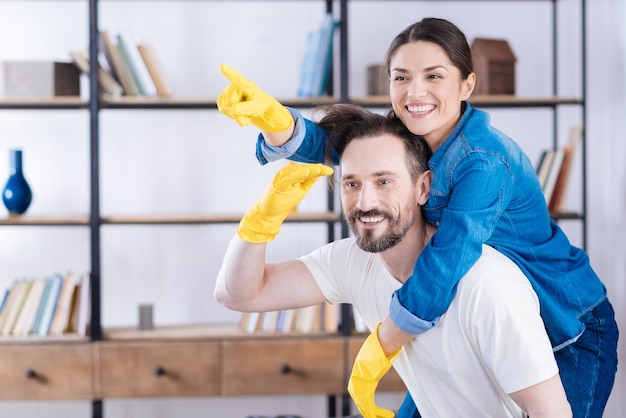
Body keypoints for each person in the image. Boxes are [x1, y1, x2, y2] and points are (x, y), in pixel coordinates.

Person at [216, 17, 618, 418]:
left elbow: (447, 259)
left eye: (434, 76)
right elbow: (363, 155)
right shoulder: (420, 135)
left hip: (568, 321)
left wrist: (380, 346)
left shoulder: (484, 161)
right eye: (401, 77)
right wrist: (280, 127)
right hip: (477, 315)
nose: (415, 91)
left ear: (467, 85)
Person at [214, 104, 572, 418]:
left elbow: (551, 412)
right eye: (351, 184)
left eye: (384, 181)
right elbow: (239, 295)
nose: (365, 201)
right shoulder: (353, 261)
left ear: (423, 188)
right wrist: (261, 222)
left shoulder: (485, 285)